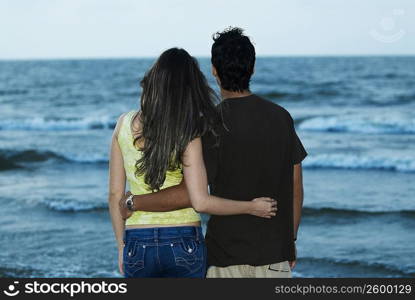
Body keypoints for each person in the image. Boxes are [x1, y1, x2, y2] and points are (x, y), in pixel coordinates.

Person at [108, 47, 277, 278]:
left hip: (137, 241)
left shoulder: (123, 124)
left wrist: (121, 246)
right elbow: (200, 201)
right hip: (183, 240)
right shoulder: (188, 129)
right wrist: (251, 207)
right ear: (190, 87)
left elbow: (115, 194)